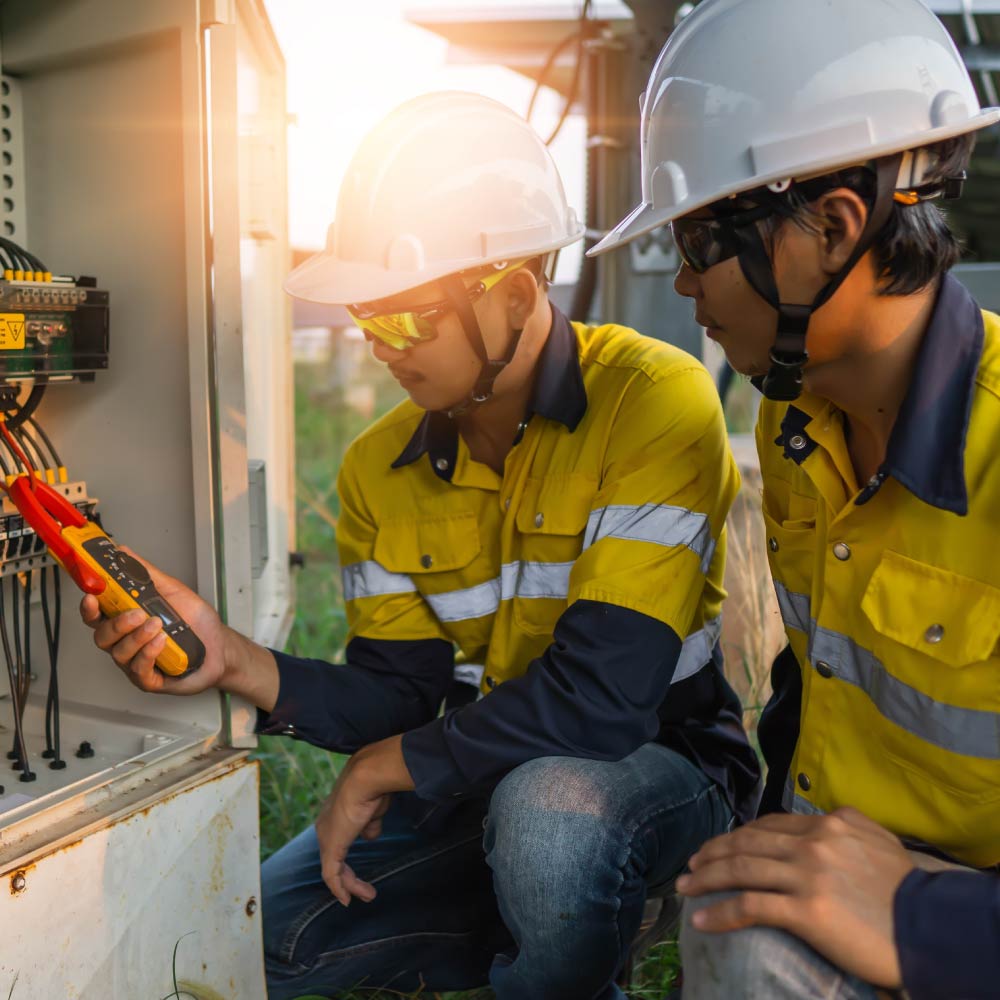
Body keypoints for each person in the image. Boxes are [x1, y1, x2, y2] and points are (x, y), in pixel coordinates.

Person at [80, 92, 759, 1000]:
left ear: (516, 296)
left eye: (406, 320)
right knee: (265, 946)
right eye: (368, 320)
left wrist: (388, 767)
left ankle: (581, 948)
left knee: (552, 819)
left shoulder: (653, 402)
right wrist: (234, 658)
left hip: (656, 773)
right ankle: (520, 927)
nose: (381, 350)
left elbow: (605, 701)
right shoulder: (377, 468)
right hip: (479, 777)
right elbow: (404, 698)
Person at [589, 0, 1000, 997]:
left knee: (751, 947)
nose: (683, 283)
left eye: (697, 239)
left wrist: (920, 918)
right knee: (734, 916)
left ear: (831, 225)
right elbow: (817, 679)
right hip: (860, 863)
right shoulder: (795, 420)